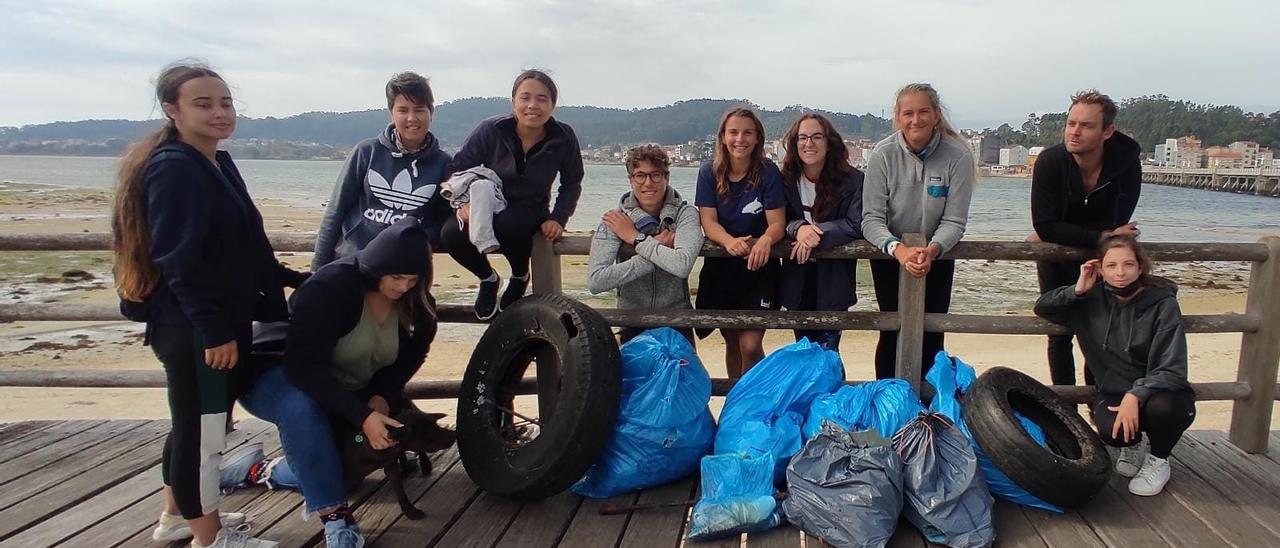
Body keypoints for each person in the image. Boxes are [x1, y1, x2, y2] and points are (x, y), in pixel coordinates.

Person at [112, 62, 304, 548]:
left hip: (215, 320)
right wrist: (215, 331)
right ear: (172, 110)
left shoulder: (215, 161)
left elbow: (244, 249)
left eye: (225, 103)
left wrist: (296, 279)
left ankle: (175, 518)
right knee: (203, 435)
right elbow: (181, 261)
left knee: (194, 425)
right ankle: (209, 538)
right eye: (204, 104)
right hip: (195, 327)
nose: (220, 113)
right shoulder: (174, 168)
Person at [230, 217, 438, 547]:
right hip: (276, 374)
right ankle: (337, 521)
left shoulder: (417, 305)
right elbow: (302, 367)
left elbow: (410, 358)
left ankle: (254, 471)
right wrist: (361, 416)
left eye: (413, 279)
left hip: (343, 386)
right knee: (302, 407)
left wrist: (382, 398)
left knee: (342, 474)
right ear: (376, 266)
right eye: (396, 277)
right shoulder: (331, 288)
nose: (403, 287)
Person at [1034, 235, 1196, 497]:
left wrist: (1136, 394)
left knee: (1165, 409)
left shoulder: (1163, 303)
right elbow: (1042, 308)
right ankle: (1132, 444)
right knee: (1111, 432)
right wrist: (1076, 290)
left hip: (1161, 391)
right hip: (1113, 389)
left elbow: (1173, 369)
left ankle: (1159, 458)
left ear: (1140, 267)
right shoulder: (1088, 301)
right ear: (1099, 268)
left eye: (1128, 264)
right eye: (1111, 266)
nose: (1120, 273)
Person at [442, 69, 584, 320]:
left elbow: (571, 183)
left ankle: (520, 276)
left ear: (552, 104)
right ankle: (488, 278)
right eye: (525, 97)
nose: (532, 105)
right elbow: (456, 168)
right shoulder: (492, 129)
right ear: (513, 101)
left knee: (512, 225)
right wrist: (463, 204)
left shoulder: (563, 137)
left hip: (530, 210)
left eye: (542, 99)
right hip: (490, 203)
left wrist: (558, 218)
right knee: (450, 233)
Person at [861, 83, 975, 380]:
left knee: (933, 333)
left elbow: (955, 221)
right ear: (897, 117)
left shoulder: (958, 155)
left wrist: (932, 250)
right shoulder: (882, 155)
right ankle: (891, 404)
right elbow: (871, 218)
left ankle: (927, 413)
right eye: (908, 113)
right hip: (890, 256)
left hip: (937, 255)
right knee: (890, 331)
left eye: (923, 111)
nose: (916, 120)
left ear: (936, 114)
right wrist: (897, 249)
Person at [1030, 89, 1143, 386]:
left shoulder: (1127, 162)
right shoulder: (1051, 162)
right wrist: (1102, 235)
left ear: (1108, 131)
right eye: (1071, 123)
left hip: (1103, 258)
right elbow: (1045, 225)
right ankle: (1065, 410)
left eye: (1086, 125)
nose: (1075, 132)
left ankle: (1100, 403)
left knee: (1102, 332)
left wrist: (1071, 233)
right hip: (1055, 256)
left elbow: (1118, 224)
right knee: (1059, 332)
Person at [312, 72, 452, 270]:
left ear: (431, 112)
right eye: (403, 110)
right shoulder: (367, 152)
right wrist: (317, 270)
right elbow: (336, 211)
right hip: (354, 262)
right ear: (391, 113)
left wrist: (425, 241)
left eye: (419, 109)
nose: (412, 118)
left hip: (404, 272)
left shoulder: (444, 164)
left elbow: (443, 220)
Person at [694, 107, 786, 377]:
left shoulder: (767, 172)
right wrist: (728, 241)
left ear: (758, 138)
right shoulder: (708, 172)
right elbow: (707, 221)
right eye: (733, 132)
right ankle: (737, 406)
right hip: (721, 268)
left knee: (750, 344)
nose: (740, 139)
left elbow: (778, 223)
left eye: (748, 132)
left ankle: (755, 397)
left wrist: (765, 240)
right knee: (733, 341)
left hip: (760, 268)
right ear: (722, 136)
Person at [586, 145, 703, 344]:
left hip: (677, 323)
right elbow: (596, 281)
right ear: (631, 180)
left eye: (655, 175)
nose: (648, 183)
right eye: (640, 175)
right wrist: (655, 250)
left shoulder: (686, 214)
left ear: (666, 177)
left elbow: (682, 265)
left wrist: (636, 239)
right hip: (631, 323)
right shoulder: (616, 219)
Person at [778, 114, 865, 351]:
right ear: (794, 144)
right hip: (797, 278)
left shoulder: (853, 180)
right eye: (803, 138)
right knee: (803, 349)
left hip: (834, 279)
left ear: (829, 142)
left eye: (817, 137)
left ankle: (832, 389)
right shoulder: (785, 179)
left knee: (829, 351)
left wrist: (815, 232)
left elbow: (856, 224)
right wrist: (798, 228)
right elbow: (779, 219)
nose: (809, 143)